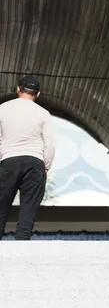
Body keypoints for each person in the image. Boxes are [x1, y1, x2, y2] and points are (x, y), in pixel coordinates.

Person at [0, 76, 56, 241]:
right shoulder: (43, 113)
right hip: (35, 163)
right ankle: (22, 250)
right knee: (28, 210)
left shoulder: (2, 109)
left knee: (1, 209)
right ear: (37, 94)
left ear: (18, 89)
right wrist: (44, 167)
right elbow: (50, 145)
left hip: (8, 161)